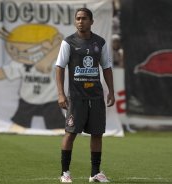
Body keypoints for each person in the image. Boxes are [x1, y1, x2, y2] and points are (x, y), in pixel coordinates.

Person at [55, 8, 115, 183]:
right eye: (78, 18)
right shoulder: (68, 42)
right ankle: (65, 173)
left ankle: (95, 173)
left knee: (97, 134)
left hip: (96, 96)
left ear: (91, 21)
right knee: (70, 133)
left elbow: (106, 68)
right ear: (75, 21)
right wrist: (60, 94)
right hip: (76, 96)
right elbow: (59, 68)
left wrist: (111, 91)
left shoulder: (100, 43)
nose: (80, 21)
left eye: (84, 18)